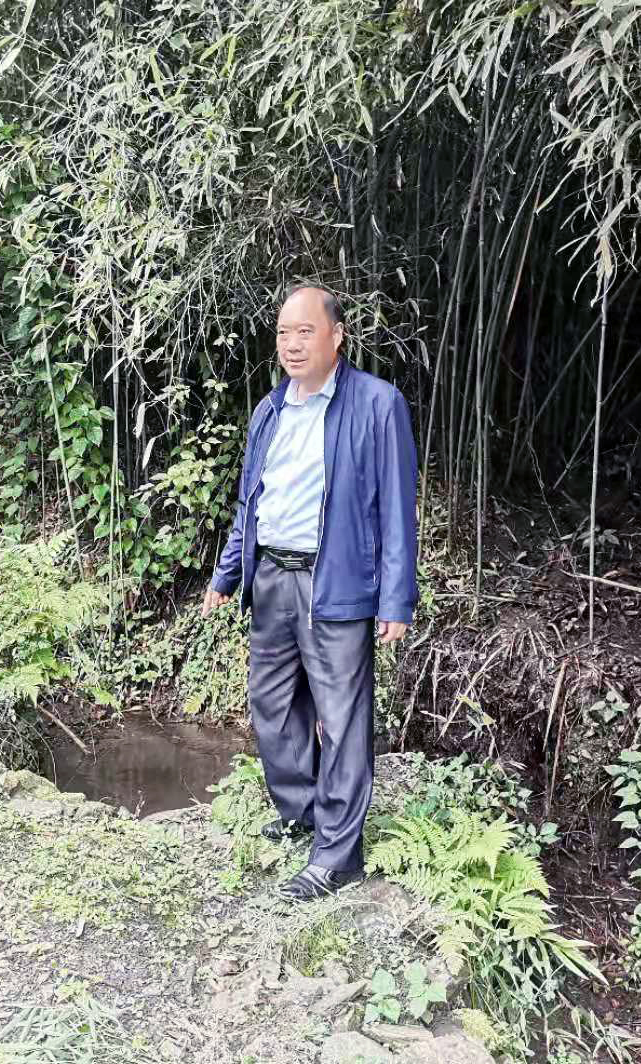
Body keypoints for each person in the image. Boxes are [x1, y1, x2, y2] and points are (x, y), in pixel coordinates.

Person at [203, 286, 417, 900]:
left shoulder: (377, 404)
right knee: (272, 704)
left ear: (336, 336)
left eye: (305, 331)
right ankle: (301, 810)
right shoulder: (270, 409)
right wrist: (227, 573)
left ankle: (338, 855)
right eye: (283, 333)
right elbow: (251, 503)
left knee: (341, 717)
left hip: (337, 581)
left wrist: (396, 599)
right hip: (272, 576)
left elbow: (398, 509)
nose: (292, 345)